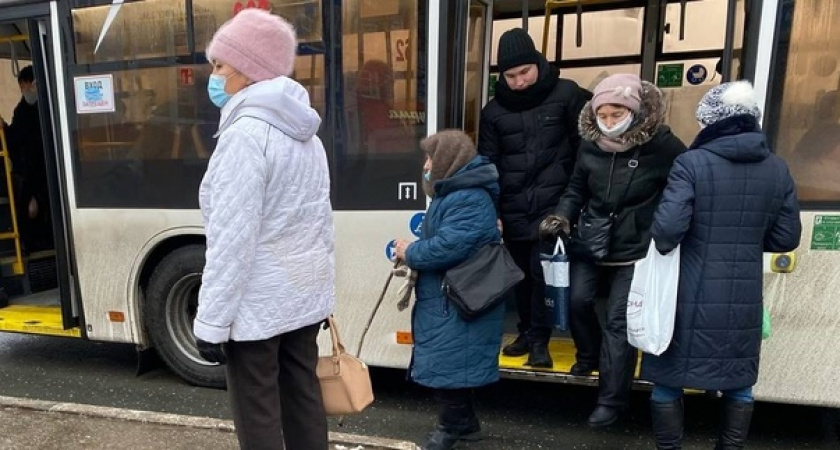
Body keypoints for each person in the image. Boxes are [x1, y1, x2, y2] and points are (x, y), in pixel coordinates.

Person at [192, 9, 334, 450]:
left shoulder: (245, 136)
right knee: (303, 399)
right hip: (301, 296)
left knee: (258, 415)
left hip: (257, 305)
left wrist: (211, 323)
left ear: (247, 69)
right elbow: (319, 223)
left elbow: (232, 240)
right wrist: (321, 296)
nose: (214, 77)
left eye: (220, 65)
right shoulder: (307, 136)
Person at [641, 81, 802, 449]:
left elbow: (667, 232)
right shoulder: (778, 168)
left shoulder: (691, 163)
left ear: (710, 123)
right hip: (744, 297)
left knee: (668, 381)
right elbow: (785, 238)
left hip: (686, 294)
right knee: (739, 383)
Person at [540, 74, 686, 427]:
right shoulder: (590, 144)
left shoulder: (664, 146)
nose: (608, 122)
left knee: (619, 321)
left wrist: (664, 227)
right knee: (577, 301)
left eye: (616, 114)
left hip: (637, 247)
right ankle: (590, 354)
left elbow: (682, 189)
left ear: (634, 111)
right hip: (592, 240)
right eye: (602, 115)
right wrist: (562, 215)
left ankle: (611, 399)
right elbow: (576, 188)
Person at [478, 28, 590, 367]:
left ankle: (540, 341)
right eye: (510, 76)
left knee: (543, 274)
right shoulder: (492, 112)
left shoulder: (567, 94)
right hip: (513, 206)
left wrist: (574, 203)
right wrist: (493, 211)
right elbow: (488, 164)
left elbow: (584, 151)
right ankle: (527, 331)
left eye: (524, 72)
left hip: (555, 205)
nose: (519, 82)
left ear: (538, 64)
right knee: (521, 277)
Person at [393, 130, 504, 450]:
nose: (426, 165)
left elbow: (449, 247)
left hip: (454, 299)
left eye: (430, 158)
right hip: (449, 296)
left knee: (447, 364)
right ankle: (466, 424)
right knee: (453, 361)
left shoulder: (466, 197)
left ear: (447, 159)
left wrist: (410, 251)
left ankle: (450, 428)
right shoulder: (459, 194)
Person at [1, 65, 52, 252]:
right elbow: (15, 141)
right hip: (30, 172)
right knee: (30, 209)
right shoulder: (21, 111)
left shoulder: (49, 107)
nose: (26, 89)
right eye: (23, 86)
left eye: (28, 85)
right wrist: (5, 129)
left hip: (48, 169)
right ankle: (34, 244)